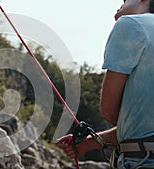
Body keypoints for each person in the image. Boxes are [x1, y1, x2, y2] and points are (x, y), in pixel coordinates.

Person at [57, 0, 154, 168]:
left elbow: (109, 110)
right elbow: (145, 127)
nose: (120, 4)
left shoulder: (132, 24)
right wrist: (88, 143)